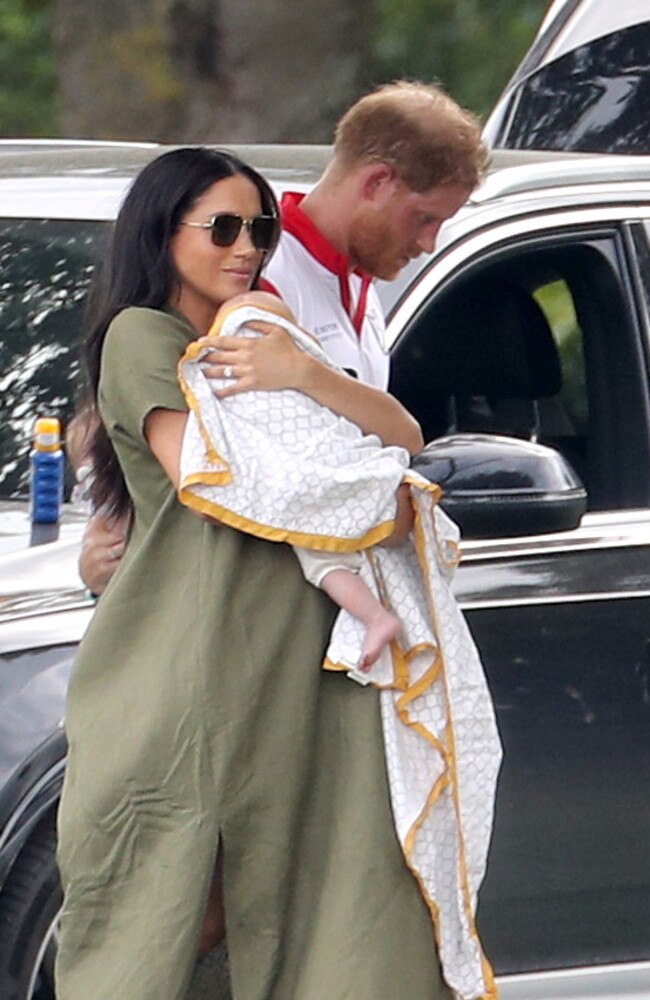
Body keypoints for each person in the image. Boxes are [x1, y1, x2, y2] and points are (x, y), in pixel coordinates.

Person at [56, 146, 457, 1000]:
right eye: (224, 228)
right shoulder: (143, 336)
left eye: (261, 227)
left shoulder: (263, 333)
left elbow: (404, 435)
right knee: (167, 907)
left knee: (316, 900)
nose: (247, 248)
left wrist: (305, 375)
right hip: (186, 666)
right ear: (163, 234)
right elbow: (216, 476)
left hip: (298, 665)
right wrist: (366, 502)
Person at [79, 79, 486, 595]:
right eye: (423, 218)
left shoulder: (356, 284)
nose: (427, 243)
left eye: (259, 231)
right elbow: (163, 426)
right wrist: (109, 521)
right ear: (377, 182)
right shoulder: (253, 285)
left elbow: (396, 435)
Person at [190, 289, 405, 674]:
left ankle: (374, 617)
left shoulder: (300, 367)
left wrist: (302, 371)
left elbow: (408, 438)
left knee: (322, 555)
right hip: (300, 495)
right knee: (321, 557)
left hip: (322, 472)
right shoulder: (157, 344)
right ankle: (374, 617)